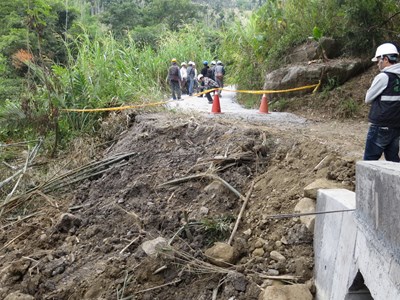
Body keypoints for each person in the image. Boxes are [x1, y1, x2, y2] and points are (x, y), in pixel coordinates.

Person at [364, 42, 400, 162]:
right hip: (396, 125)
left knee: (369, 161)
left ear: (385, 59)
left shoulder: (383, 77)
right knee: (393, 161)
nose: (377, 64)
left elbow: (367, 98)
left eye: (378, 60)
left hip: (380, 126)